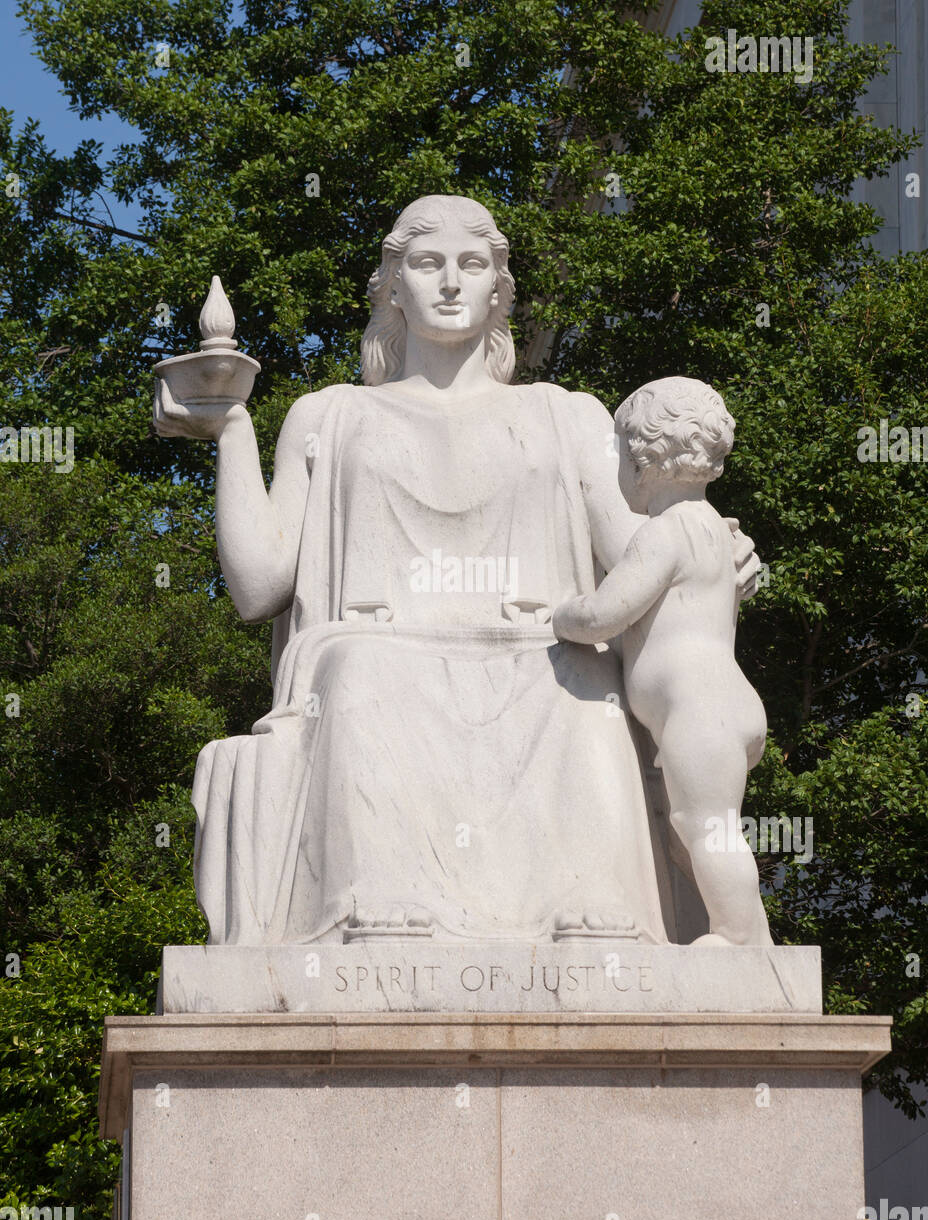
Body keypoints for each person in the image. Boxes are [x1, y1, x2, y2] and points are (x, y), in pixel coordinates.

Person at [153, 198, 761, 945]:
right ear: (392, 287)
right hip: (377, 651)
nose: (449, 282)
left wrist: (715, 546)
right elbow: (258, 587)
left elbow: (642, 544)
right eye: (425, 263)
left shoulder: (565, 415)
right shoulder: (330, 415)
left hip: (543, 653)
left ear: (499, 289)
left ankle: (598, 917)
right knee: (361, 674)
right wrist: (232, 430)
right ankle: (374, 905)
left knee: (585, 687)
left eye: (472, 265)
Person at [553, 377, 772, 946]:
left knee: (709, 829)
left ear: (646, 459)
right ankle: (756, 938)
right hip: (725, 704)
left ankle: (737, 941)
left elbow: (607, 613)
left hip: (697, 713)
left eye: (621, 457)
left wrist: (563, 615)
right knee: (695, 828)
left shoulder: (664, 534)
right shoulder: (715, 531)